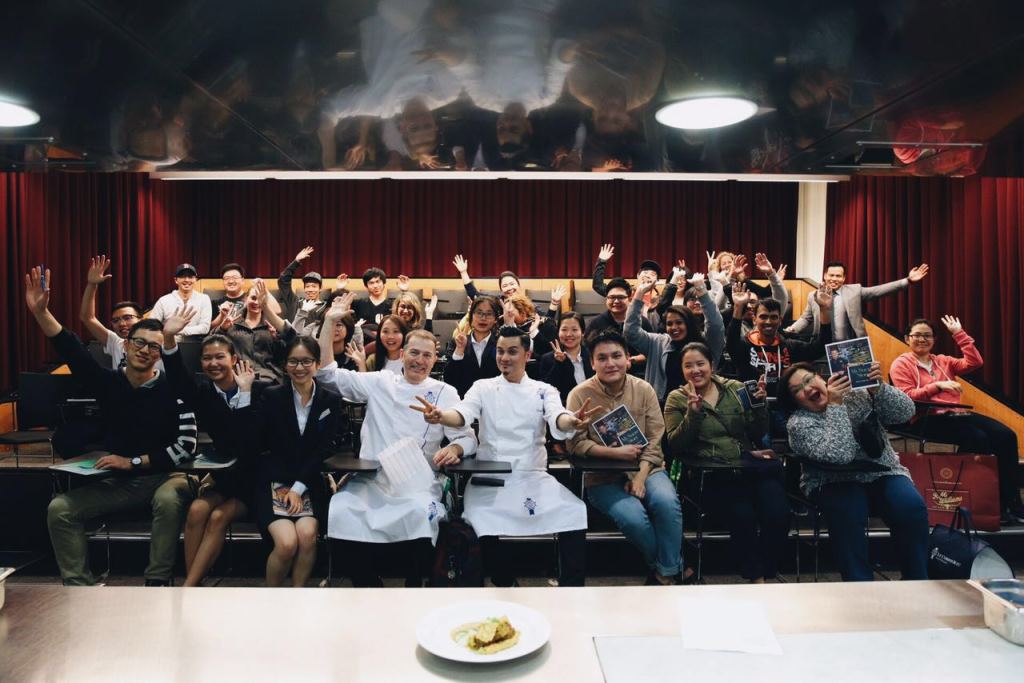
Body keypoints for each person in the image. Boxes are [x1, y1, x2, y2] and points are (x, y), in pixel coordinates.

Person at [26, 267, 196, 586]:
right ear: (127, 345)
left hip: (168, 475)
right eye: (139, 342)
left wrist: (133, 462)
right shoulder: (110, 384)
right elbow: (72, 350)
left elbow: (186, 446)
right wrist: (41, 312)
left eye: (154, 346)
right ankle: (80, 588)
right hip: (124, 481)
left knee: (168, 500)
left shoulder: (174, 389)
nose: (145, 350)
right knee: (60, 508)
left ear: (160, 354)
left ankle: (157, 581)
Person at [413, 327, 600, 587]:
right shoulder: (483, 387)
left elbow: (558, 416)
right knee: (478, 518)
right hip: (490, 476)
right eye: (500, 351)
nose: (504, 358)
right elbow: (462, 413)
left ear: (527, 354)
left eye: (512, 351)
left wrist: (572, 422)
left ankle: (571, 588)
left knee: (574, 511)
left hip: (532, 474)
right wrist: (442, 416)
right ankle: (504, 581)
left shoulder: (544, 390)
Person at [316, 310, 477, 587]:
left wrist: (456, 450)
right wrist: (330, 322)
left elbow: (468, 437)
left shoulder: (445, 392)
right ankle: (368, 584)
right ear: (402, 354)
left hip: (418, 483)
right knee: (342, 508)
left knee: (420, 513)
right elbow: (327, 375)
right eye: (414, 353)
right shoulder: (380, 381)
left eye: (427, 355)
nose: (420, 361)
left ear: (435, 359)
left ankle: (414, 584)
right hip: (372, 480)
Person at [779, 362, 929, 582]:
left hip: (882, 472)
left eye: (809, 379)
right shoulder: (799, 424)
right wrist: (836, 406)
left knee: (911, 507)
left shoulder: (858, 394)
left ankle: (917, 580)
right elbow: (841, 456)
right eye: (798, 389)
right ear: (795, 401)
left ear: (821, 378)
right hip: (831, 480)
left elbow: (906, 413)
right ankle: (859, 585)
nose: (808, 388)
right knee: (849, 511)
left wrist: (879, 388)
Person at [664, 343, 789, 583]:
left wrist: (761, 406)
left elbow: (756, 431)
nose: (695, 370)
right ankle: (757, 577)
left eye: (700, 363)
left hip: (747, 467)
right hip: (712, 473)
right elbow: (676, 444)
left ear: (712, 365)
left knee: (778, 513)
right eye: (688, 366)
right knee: (743, 516)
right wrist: (693, 414)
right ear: (682, 370)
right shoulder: (676, 398)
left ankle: (769, 569)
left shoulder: (735, 389)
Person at [567, 330, 683, 585]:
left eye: (616, 356)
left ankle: (664, 573)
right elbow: (574, 444)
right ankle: (670, 568)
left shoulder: (644, 389)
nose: (610, 363)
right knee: (634, 519)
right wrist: (613, 452)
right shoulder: (579, 394)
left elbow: (655, 439)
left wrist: (640, 477)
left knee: (666, 503)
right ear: (592, 362)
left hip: (647, 468)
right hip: (602, 476)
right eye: (602, 358)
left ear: (628, 358)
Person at [160, 311, 264, 587]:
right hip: (225, 476)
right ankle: (196, 580)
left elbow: (249, 442)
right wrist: (169, 338)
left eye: (220, 357)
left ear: (233, 359)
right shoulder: (204, 392)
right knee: (196, 510)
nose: (213, 363)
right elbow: (179, 380)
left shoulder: (259, 390)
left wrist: (244, 394)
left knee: (218, 517)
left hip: (254, 478)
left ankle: (189, 587)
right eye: (207, 358)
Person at [890, 316, 1024, 523]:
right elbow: (904, 396)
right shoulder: (901, 364)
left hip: (956, 414)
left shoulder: (943, 361)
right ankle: (985, 502)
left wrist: (958, 334)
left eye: (927, 336)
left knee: (1006, 436)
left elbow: (975, 362)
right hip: (925, 418)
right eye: (917, 335)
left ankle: (1012, 502)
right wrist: (938, 386)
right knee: (979, 439)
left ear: (934, 340)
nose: (922, 339)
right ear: (908, 339)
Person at [241, 336, 341, 587]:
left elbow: (324, 449)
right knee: (287, 543)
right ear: (285, 365)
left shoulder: (330, 400)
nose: (299, 367)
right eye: (293, 361)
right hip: (273, 479)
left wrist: (298, 487)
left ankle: (298, 596)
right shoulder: (271, 396)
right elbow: (251, 440)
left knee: (307, 535)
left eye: (306, 361)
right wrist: (244, 394)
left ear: (317, 364)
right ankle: (273, 596)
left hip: (308, 481)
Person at [625, 274, 724, 401]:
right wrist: (639, 295)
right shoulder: (658, 343)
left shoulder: (706, 343)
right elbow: (631, 332)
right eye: (669, 324)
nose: (674, 327)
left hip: (702, 405)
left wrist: (702, 292)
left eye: (679, 322)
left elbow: (715, 325)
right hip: (662, 406)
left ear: (688, 323)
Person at [727, 284, 834, 398]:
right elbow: (731, 340)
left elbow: (821, 348)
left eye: (773, 317)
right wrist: (738, 306)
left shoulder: (788, 346)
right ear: (754, 319)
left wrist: (823, 309)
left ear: (780, 321)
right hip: (752, 406)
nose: (768, 321)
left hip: (783, 406)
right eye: (763, 317)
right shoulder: (744, 345)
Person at [785, 261, 930, 341]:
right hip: (822, 346)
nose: (834, 279)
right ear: (825, 275)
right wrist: (793, 329)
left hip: (853, 346)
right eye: (831, 275)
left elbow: (880, 290)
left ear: (844, 278)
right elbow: (806, 318)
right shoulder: (813, 295)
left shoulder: (854, 291)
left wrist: (908, 281)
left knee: (858, 385)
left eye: (838, 276)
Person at [78, 255, 155, 370]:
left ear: (141, 320)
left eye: (128, 317)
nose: (122, 324)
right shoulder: (116, 343)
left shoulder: (156, 345)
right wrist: (92, 284)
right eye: (116, 320)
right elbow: (87, 317)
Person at [223, 280, 296, 383]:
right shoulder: (232, 322)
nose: (256, 302)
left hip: (270, 378)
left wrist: (276, 339)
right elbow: (214, 344)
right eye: (253, 298)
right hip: (239, 378)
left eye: (260, 299)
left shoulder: (272, 325)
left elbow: (284, 353)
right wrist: (222, 329)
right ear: (245, 299)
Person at [587, 277, 653, 377]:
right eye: (612, 297)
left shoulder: (642, 322)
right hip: (605, 376)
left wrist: (634, 359)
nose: (616, 301)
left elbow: (653, 351)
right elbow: (589, 352)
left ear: (630, 298)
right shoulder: (596, 323)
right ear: (606, 299)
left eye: (621, 297)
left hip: (637, 376)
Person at [443, 296, 502, 397]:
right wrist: (459, 350)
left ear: (495, 319)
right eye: (479, 313)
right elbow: (449, 379)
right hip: (465, 400)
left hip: (495, 399)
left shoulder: (501, 344)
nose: (483, 318)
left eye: (489, 314)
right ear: (471, 316)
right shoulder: (456, 342)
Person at [537, 312, 593, 404]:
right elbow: (546, 391)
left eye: (574, 330)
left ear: (583, 332)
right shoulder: (547, 359)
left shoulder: (593, 355)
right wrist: (559, 364)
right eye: (564, 330)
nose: (569, 334)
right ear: (558, 332)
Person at [148, 263, 212, 338]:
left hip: (195, 343)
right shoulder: (163, 300)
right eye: (182, 276)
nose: (187, 280)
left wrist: (176, 330)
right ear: (176, 280)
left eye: (190, 277)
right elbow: (151, 325)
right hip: (169, 343)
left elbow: (205, 328)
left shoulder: (204, 299)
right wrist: (168, 332)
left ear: (195, 280)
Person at [277, 245, 328, 328]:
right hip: (292, 339)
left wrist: (340, 288)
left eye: (314, 286)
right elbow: (283, 281)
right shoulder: (295, 302)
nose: (310, 289)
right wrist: (296, 261)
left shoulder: (324, 307)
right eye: (307, 286)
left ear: (320, 288)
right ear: (304, 289)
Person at [348, 268, 393, 341]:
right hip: (361, 342)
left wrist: (404, 291)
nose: (375, 285)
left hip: (385, 341)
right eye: (371, 283)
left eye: (378, 281)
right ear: (366, 286)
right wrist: (341, 288)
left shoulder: (392, 305)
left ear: (383, 283)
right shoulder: (358, 303)